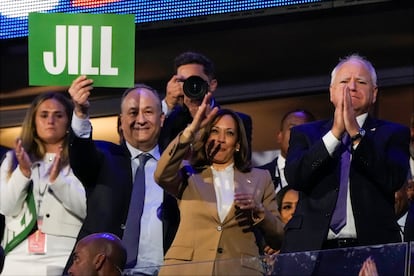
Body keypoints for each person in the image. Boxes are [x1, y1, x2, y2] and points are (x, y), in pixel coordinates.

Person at [280, 54, 410, 253]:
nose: (351, 87)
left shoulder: (393, 133)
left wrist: (357, 134)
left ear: (374, 93)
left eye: (360, 81)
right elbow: (296, 177)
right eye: (344, 81)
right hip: (312, 251)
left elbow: (392, 179)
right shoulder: (305, 133)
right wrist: (334, 135)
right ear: (331, 92)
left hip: (371, 250)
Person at [154, 95, 285, 275]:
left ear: (237, 144)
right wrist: (191, 130)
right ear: (207, 137)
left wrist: (260, 210)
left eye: (229, 133)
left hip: (239, 270)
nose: (221, 139)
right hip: (188, 269)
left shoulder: (260, 178)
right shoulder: (188, 173)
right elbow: (161, 175)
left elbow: (278, 237)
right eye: (215, 131)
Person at [66, 76, 179, 275]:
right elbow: (81, 156)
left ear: (162, 119)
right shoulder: (103, 157)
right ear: (121, 121)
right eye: (133, 113)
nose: (141, 120)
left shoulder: (175, 167)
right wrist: (81, 112)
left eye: (148, 112)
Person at [0, 92, 86, 275]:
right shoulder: (12, 160)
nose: (51, 120)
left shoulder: (80, 161)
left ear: (68, 121)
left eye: (59, 115)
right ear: (33, 121)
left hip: (63, 256)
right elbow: (6, 207)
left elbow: (86, 209)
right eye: (44, 115)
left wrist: (58, 182)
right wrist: (22, 173)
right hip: (17, 257)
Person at [159, 51, 253, 158]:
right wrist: (168, 103)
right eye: (183, 81)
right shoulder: (170, 121)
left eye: (195, 80)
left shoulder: (239, 121)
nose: (191, 86)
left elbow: (242, 163)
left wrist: (205, 122)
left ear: (212, 85)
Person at [258, 109, 315, 193]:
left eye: (304, 129)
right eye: (292, 129)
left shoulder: (322, 176)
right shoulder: (258, 176)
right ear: (280, 136)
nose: (297, 135)